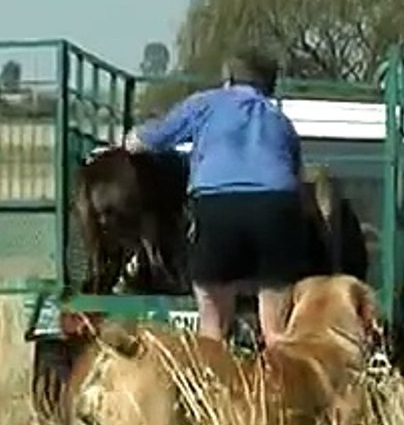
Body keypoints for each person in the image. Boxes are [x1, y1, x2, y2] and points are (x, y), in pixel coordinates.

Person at [123, 46, 327, 346]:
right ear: (269, 86)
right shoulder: (280, 121)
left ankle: (215, 368)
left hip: (218, 206)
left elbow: (152, 139)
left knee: (213, 331)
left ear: (228, 79)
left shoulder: (205, 104)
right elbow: (298, 182)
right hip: (276, 207)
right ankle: (277, 368)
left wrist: (130, 139)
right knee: (276, 333)